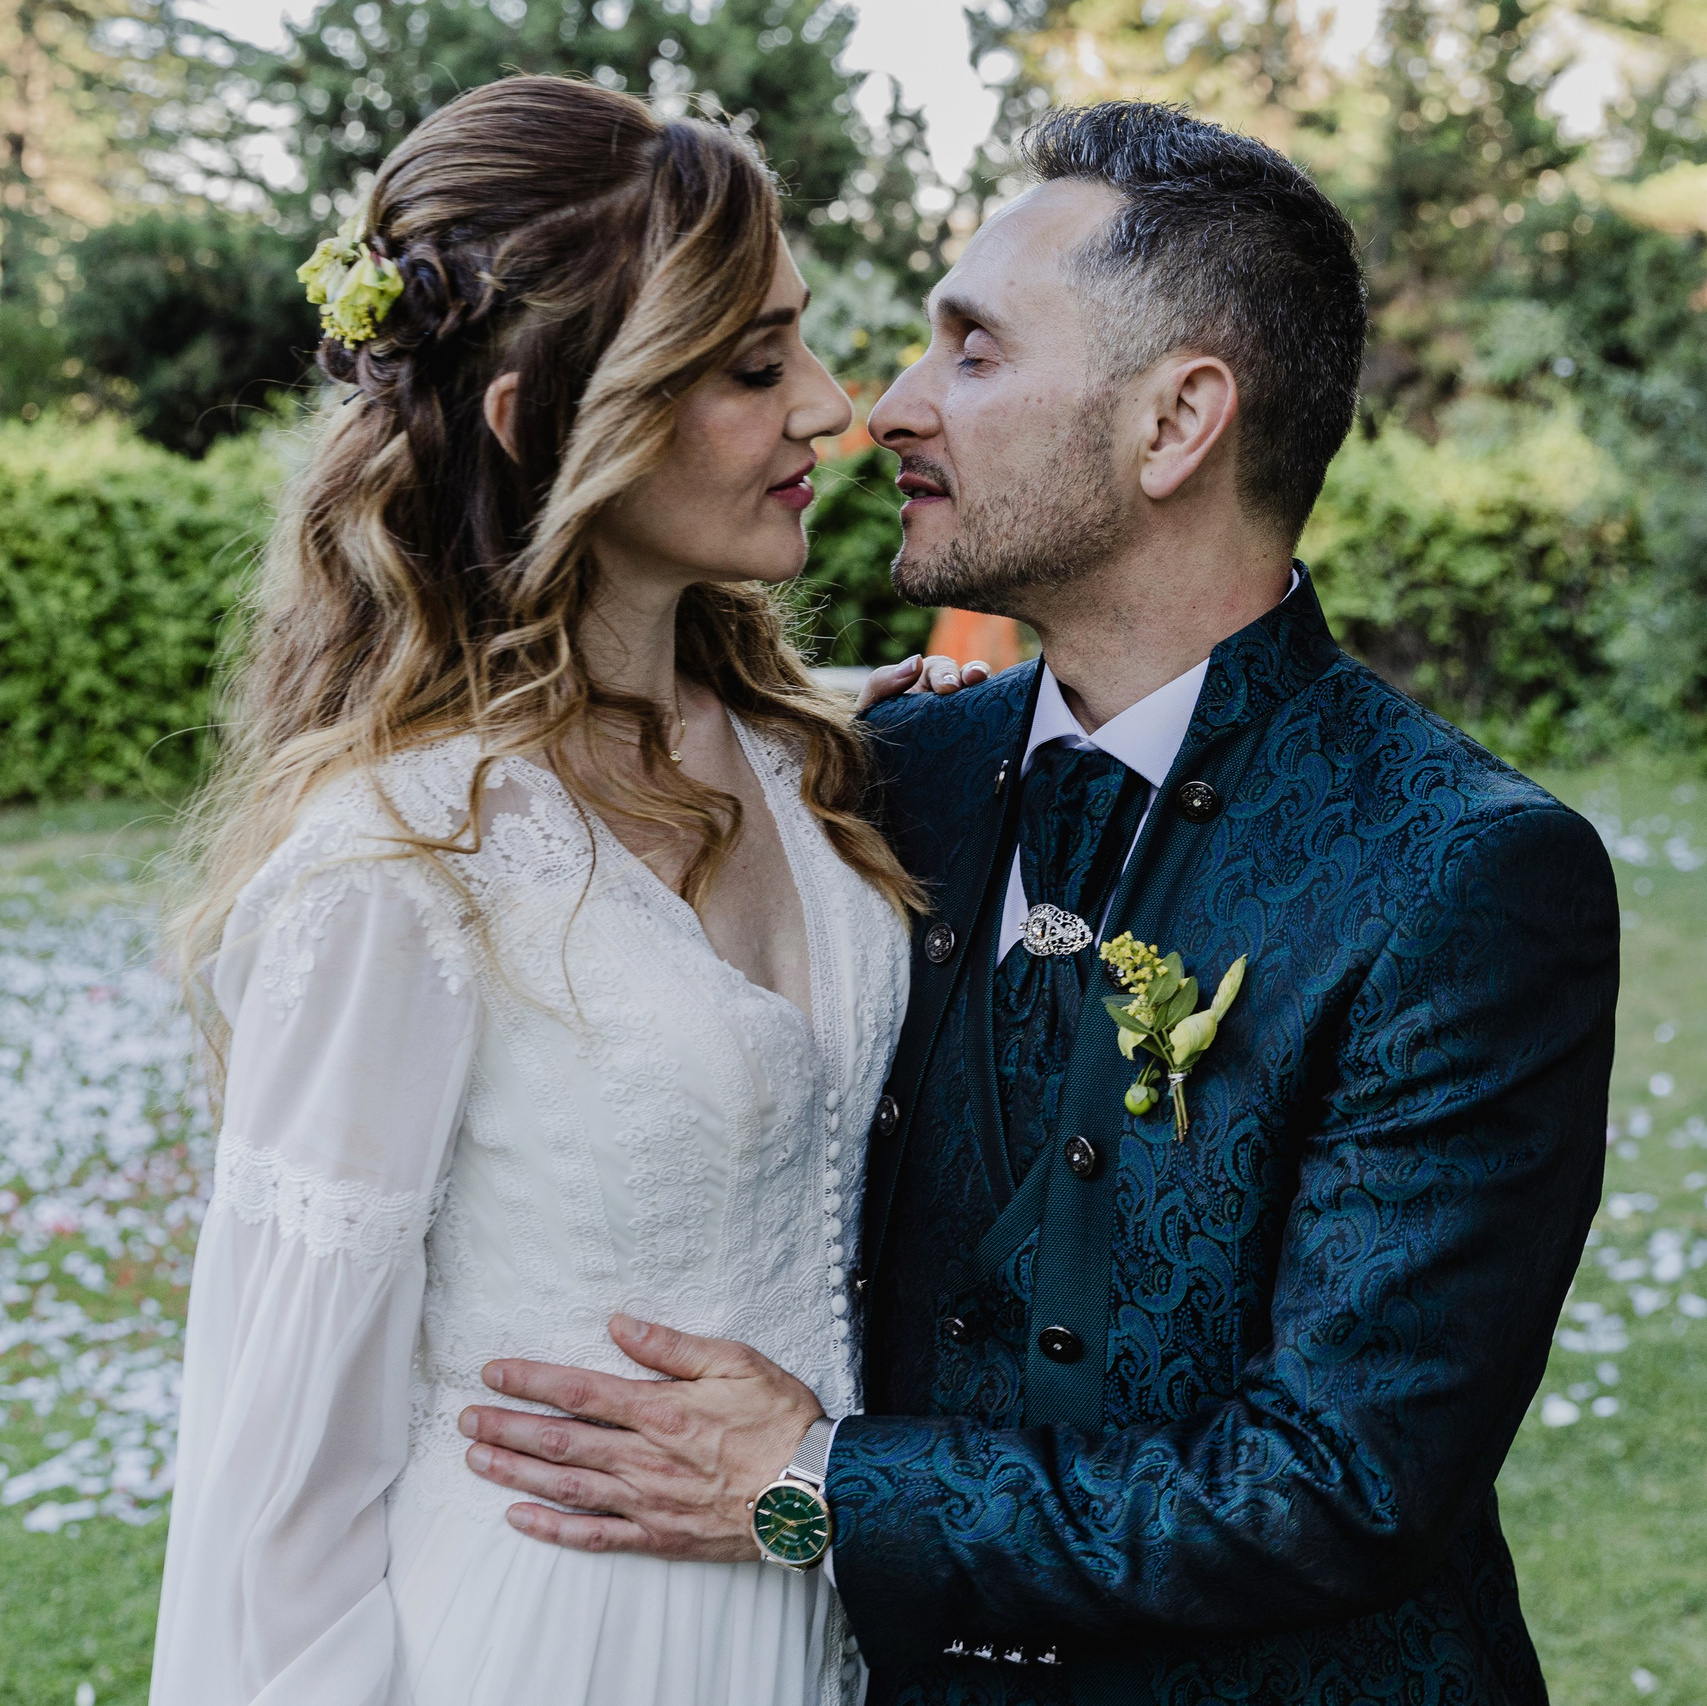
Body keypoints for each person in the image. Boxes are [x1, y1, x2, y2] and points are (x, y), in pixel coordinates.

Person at [457, 103, 1622, 1704]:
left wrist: (815, 1484)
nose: (886, 409)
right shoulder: (873, 776)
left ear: (1177, 423)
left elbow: (1340, 1483)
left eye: (976, 352)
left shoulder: (1467, 874)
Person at [151, 74, 964, 1706]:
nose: (832, 407)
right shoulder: (393, 868)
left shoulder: (803, 757)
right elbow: (275, 1488)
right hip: (551, 1642)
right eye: (753, 365)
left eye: (802, 340)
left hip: (818, 1615)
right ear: (538, 420)